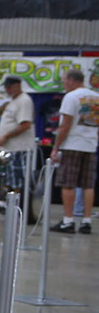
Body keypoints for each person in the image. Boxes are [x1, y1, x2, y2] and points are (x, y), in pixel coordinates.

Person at [50, 67, 99, 234]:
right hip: (90, 145)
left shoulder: (71, 97)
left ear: (71, 80)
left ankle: (68, 220)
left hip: (72, 145)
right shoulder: (96, 97)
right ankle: (86, 221)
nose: (64, 85)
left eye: (64, 81)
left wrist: (56, 147)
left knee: (68, 183)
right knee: (87, 184)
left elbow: (65, 125)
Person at [0, 75, 37, 200]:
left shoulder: (24, 101)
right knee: (8, 177)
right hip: (10, 148)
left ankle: (17, 203)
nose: (7, 90)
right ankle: (8, 202)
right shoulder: (13, 101)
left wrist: (6, 135)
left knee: (17, 178)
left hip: (19, 148)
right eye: (6, 87)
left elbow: (25, 125)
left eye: (9, 87)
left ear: (17, 86)